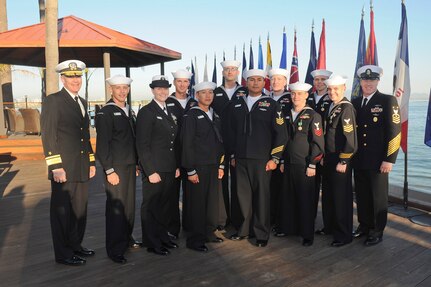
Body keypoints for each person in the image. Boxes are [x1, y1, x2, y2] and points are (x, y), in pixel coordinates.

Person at [41, 59, 96, 266]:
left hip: (81, 166)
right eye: (71, 77)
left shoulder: (82, 101)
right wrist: (55, 166)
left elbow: (85, 136)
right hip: (63, 168)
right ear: (62, 78)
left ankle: (75, 245)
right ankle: (63, 253)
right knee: (62, 212)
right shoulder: (53, 101)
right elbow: (48, 136)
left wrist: (91, 162)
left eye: (78, 76)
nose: (75, 80)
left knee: (80, 209)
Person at [228, 69, 288, 247]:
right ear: (246, 82)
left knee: (262, 197)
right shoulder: (237, 104)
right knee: (243, 197)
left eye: (259, 80)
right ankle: (244, 230)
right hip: (240, 159)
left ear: (264, 83)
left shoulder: (271, 104)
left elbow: (281, 134)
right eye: (251, 80)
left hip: (263, 160)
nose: (255, 83)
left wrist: (275, 158)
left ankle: (262, 233)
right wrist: (232, 154)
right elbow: (230, 133)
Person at [351, 65, 401, 246]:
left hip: (379, 160)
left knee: (378, 197)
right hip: (359, 158)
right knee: (362, 194)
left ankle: (377, 230)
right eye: (365, 80)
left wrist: (389, 159)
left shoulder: (388, 101)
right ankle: (364, 226)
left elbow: (395, 131)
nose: (368, 83)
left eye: (372, 80)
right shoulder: (354, 102)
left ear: (378, 81)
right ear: (360, 81)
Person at [95, 75, 140, 264]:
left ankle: (126, 238)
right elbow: (102, 145)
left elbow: (133, 139)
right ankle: (115, 249)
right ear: (111, 90)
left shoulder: (128, 110)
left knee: (129, 206)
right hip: (116, 168)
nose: (122, 91)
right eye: (118, 88)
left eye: (125, 88)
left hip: (130, 166)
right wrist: (109, 170)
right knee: (116, 208)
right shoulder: (106, 112)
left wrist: (137, 162)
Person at [275, 82, 324, 246]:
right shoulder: (286, 114)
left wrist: (312, 164)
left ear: (306, 96)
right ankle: (288, 228)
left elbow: (318, 143)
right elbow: (283, 139)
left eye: (300, 94)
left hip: (304, 165)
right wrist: (281, 159)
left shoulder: (313, 115)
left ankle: (307, 234)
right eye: (293, 94)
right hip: (288, 163)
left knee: (305, 200)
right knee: (287, 197)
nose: (296, 97)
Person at [136, 75, 180, 256]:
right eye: (159, 88)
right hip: (154, 168)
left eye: (165, 88)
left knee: (164, 206)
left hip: (168, 167)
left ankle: (162, 237)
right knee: (152, 206)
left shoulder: (168, 109)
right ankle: (151, 241)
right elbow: (142, 144)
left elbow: (172, 142)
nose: (163, 91)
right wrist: (150, 170)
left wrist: (175, 165)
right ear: (152, 90)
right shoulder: (147, 112)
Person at [181, 81, 225, 252]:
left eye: (210, 93)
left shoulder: (215, 115)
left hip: (213, 165)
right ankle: (195, 239)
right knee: (197, 204)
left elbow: (220, 142)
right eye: (203, 93)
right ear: (197, 95)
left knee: (211, 202)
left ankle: (209, 232)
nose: (208, 96)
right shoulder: (192, 115)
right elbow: (187, 143)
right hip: (197, 167)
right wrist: (190, 169)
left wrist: (221, 165)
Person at [321, 75, 357, 247]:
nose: (332, 92)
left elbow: (350, 138)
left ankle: (343, 235)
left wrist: (343, 160)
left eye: (336, 89)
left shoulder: (346, 108)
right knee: (328, 196)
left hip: (340, 159)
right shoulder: (330, 106)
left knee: (341, 198)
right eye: (329, 89)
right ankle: (329, 227)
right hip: (328, 158)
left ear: (343, 88)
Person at [211, 60, 247, 230]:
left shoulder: (245, 91)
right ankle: (221, 219)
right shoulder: (214, 92)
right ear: (223, 72)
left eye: (233, 69)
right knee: (220, 181)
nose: (230, 72)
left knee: (239, 183)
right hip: (218, 143)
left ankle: (239, 219)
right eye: (227, 69)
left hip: (239, 144)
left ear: (238, 72)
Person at [165, 69, 197, 237]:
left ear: (189, 84)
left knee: (191, 194)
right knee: (172, 193)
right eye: (179, 82)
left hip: (191, 155)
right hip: (173, 155)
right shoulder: (166, 102)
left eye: (185, 82)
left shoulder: (194, 102)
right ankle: (172, 228)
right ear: (175, 83)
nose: (182, 85)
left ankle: (190, 225)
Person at [307, 69, 333, 227]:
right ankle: (309, 220)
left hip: (328, 150)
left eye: (323, 79)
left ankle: (329, 224)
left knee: (329, 190)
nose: (319, 82)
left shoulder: (332, 99)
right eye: (316, 79)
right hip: (309, 149)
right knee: (310, 187)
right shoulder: (308, 97)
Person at [267, 68, 291, 231]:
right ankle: (268, 218)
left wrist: (281, 157)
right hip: (265, 151)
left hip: (284, 151)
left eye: (279, 79)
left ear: (285, 82)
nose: (275, 82)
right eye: (273, 79)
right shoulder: (265, 99)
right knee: (268, 188)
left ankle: (280, 222)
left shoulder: (291, 99)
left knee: (282, 189)